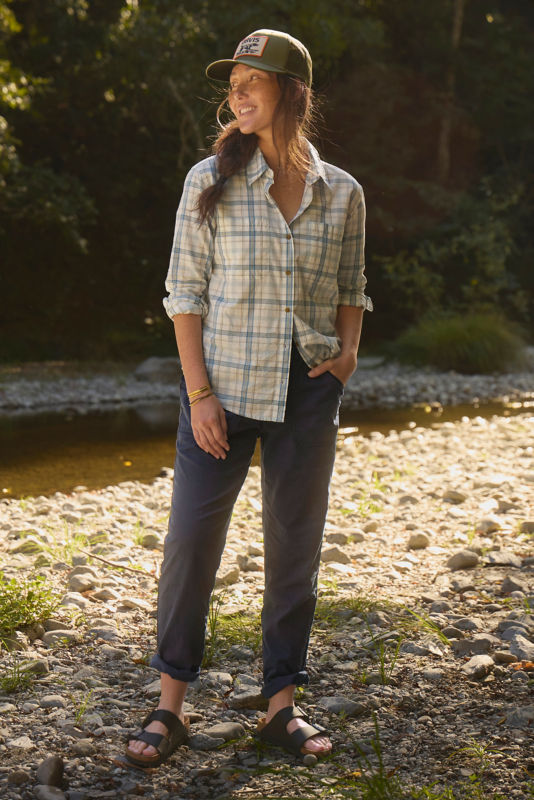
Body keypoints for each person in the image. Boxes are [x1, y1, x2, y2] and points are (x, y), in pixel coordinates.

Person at [125, 28, 372, 768]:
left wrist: (349, 353)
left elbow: (352, 289)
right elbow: (184, 295)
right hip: (221, 391)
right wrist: (198, 393)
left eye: (251, 79)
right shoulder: (209, 180)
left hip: (307, 391)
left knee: (294, 548)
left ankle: (280, 707)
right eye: (232, 80)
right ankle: (169, 709)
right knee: (192, 545)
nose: (236, 91)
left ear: (291, 93)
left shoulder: (344, 193)